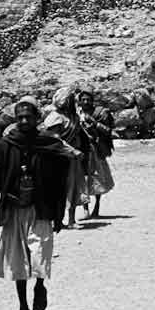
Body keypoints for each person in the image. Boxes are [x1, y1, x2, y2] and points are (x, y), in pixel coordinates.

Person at [0, 96, 79, 310]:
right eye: (20, 117)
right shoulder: (6, 145)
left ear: (37, 118)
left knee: (39, 255)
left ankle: (40, 286)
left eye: (28, 117)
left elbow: (59, 183)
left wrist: (58, 214)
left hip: (40, 209)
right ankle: (23, 308)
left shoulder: (48, 144)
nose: (24, 121)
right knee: (18, 261)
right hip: (14, 209)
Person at [44, 95, 89, 229]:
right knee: (57, 188)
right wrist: (72, 150)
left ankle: (71, 220)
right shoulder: (55, 117)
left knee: (73, 188)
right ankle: (56, 220)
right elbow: (55, 139)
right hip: (58, 157)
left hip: (73, 159)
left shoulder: (74, 117)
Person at [76, 86, 115, 220]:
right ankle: (85, 209)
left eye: (88, 99)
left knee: (97, 178)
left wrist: (94, 123)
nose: (86, 102)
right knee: (83, 179)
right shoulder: (77, 114)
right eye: (83, 99)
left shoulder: (101, 113)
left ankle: (96, 207)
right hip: (82, 151)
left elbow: (108, 131)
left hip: (97, 150)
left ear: (92, 101)